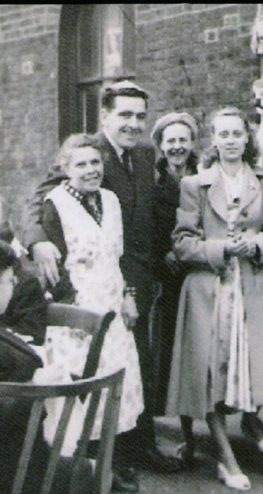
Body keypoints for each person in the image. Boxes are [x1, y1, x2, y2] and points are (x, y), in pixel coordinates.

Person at [22, 81, 182, 490]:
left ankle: (138, 445)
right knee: (96, 370)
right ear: (105, 116)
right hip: (87, 288)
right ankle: (102, 462)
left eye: (140, 116)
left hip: (131, 281)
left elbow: (153, 213)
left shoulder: (147, 155)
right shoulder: (85, 152)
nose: (133, 123)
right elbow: (39, 202)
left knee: (134, 369)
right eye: (124, 115)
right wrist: (38, 240)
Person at [166, 107, 263, 490]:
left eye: (236, 133)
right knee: (210, 371)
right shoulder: (196, 184)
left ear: (247, 137)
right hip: (210, 288)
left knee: (250, 362)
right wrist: (222, 247)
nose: (230, 140)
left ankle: (251, 421)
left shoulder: (262, 177)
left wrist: (255, 244)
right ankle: (225, 457)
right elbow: (182, 243)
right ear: (213, 140)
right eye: (222, 134)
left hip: (253, 284)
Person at [39, 133, 146, 490]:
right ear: (66, 169)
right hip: (78, 316)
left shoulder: (111, 201)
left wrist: (128, 296)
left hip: (113, 308)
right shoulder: (55, 204)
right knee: (84, 388)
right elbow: (52, 275)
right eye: (81, 164)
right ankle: (85, 470)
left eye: (95, 163)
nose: (90, 170)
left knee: (117, 384)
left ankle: (113, 464)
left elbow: (120, 256)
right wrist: (77, 314)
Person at [149, 112, 199, 466]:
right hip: (168, 277)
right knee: (175, 354)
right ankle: (187, 432)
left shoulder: (204, 176)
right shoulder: (153, 182)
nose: (177, 147)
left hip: (199, 272)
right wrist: (162, 254)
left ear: (192, 144)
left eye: (183, 140)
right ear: (161, 146)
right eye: (171, 141)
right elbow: (146, 224)